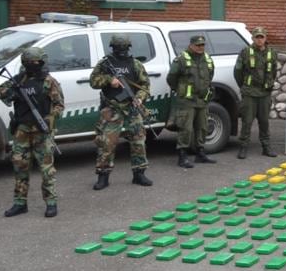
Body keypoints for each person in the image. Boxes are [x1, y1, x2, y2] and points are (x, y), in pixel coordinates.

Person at [0, 46, 64, 218]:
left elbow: (59, 105)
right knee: (20, 166)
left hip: (42, 130)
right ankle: (20, 203)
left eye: (36, 62)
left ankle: (51, 202)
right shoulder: (18, 80)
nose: (34, 65)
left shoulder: (49, 81)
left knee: (46, 169)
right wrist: (13, 92)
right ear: (24, 63)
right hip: (22, 130)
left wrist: (50, 119)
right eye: (30, 62)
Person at [89, 34, 153, 190]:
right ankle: (103, 176)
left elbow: (145, 84)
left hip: (131, 107)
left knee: (138, 141)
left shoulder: (135, 64)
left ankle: (139, 173)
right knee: (107, 143)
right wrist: (109, 80)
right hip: (112, 108)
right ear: (113, 48)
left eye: (124, 47)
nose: (122, 51)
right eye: (119, 48)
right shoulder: (105, 64)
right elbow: (93, 81)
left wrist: (139, 98)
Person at [167, 34, 216, 168]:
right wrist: (180, 89)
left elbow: (210, 74)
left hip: (202, 100)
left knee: (202, 127)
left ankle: (200, 153)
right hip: (187, 100)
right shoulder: (182, 59)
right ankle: (182, 156)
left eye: (202, 45)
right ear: (191, 45)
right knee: (185, 128)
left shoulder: (207, 59)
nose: (200, 47)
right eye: (198, 45)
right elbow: (171, 77)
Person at [234, 26, 279, 159]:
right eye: (257, 37)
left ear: (265, 38)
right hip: (250, 93)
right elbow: (238, 72)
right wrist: (244, 87)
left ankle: (266, 147)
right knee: (247, 121)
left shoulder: (272, 53)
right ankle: (243, 147)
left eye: (262, 37)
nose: (259, 40)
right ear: (253, 38)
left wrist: (269, 84)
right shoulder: (245, 52)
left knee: (264, 121)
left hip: (264, 93)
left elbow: (274, 71)